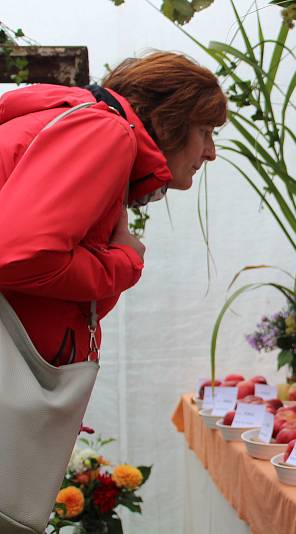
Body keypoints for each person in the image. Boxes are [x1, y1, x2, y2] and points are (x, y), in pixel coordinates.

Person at [0, 51, 227, 366]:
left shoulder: (81, 123)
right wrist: (123, 262)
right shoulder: (106, 131)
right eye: (205, 132)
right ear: (166, 121)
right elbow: (23, 256)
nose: (210, 152)